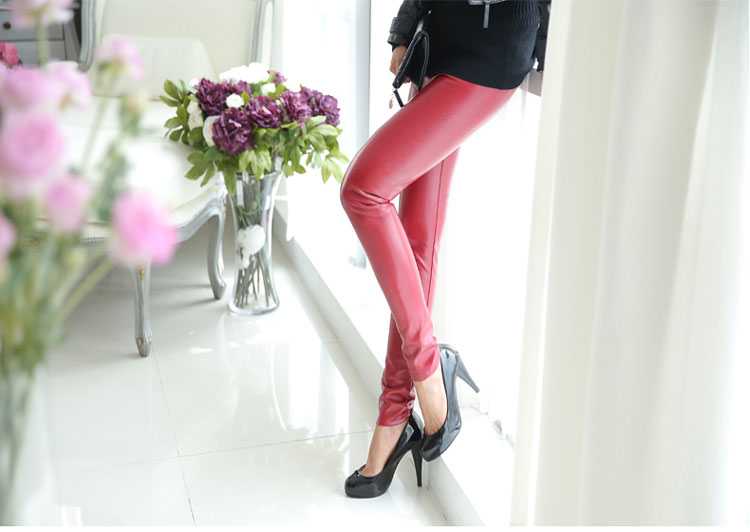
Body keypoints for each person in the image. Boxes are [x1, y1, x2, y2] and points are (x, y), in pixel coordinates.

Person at [340, 0, 551, 498]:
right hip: (438, 47)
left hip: (492, 51)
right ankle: (394, 418)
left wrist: (548, 49)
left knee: (363, 190)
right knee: (416, 240)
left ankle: (430, 367)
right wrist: (403, 29)